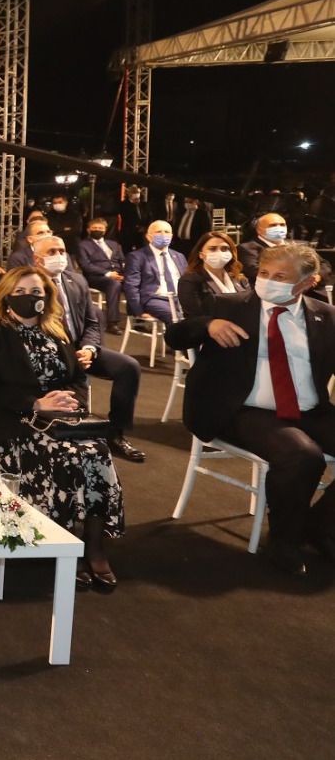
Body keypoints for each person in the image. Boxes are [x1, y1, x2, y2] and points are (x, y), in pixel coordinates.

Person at [167, 243, 335, 576]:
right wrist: (208, 325)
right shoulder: (228, 305)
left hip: (309, 408)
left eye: (281, 277)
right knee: (303, 455)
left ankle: (319, 526)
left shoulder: (326, 316)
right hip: (243, 409)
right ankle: (284, 540)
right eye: (265, 273)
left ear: (307, 282)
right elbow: (174, 336)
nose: (268, 281)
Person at [0, 266, 125, 591]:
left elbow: (77, 378)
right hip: (10, 425)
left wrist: (70, 403)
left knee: (97, 451)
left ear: (46, 297)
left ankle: (94, 547)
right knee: (67, 456)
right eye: (20, 292)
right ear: (6, 295)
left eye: (36, 292)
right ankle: (63, 545)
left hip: (60, 422)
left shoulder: (57, 331)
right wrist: (35, 404)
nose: (28, 298)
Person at [32, 236, 147, 462]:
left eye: (61, 251)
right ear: (37, 259)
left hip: (81, 349)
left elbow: (92, 323)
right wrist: (66, 356)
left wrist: (90, 349)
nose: (59, 256)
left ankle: (116, 434)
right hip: (49, 354)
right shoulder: (30, 285)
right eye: (51, 252)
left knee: (128, 367)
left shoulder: (76, 281)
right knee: (74, 410)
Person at [123, 220, 187, 326]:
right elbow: (131, 286)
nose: (163, 235)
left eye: (167, 232)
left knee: (201, 319)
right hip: (155, 299)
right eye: (158, 232)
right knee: (176, 319)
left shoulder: (179, 256)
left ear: (171, 236)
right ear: (148, 237)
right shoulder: (137, 257)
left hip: (180, 299)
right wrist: (138, 311)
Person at [179, 230, 250, 319]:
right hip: (210, 326)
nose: (219, 252)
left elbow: (251, 305)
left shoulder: (239, 278)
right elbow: (194, 315)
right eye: (212, 249)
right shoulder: (190, 281)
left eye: (224, 249)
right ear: (201, 254)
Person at [75, 217, 127, 334]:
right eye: (95, 228)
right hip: (96, 277)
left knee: (137, 283)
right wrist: (108, 274)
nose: (98, 230)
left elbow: (123, 261)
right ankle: (112, 323)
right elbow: (85, 265)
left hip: (118, 275)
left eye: (100, 228)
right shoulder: (83, 245)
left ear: (105, 230)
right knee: (114, 284)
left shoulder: (113, 244)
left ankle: (139, 318)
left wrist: (124, 275)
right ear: (88, 230)